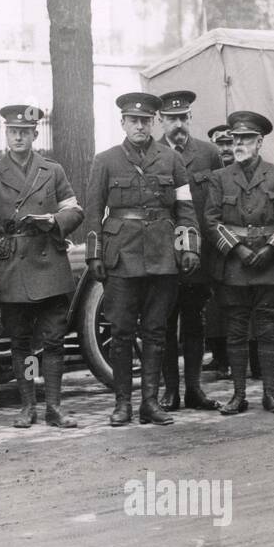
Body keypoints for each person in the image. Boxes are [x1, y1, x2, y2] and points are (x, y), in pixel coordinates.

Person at [83, 92, 200, 427]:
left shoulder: (171, 160)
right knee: (120, 332)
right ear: (122, 123)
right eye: (133, 120)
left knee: (156, 331)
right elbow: (93, 212)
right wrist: (95, 255)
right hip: (121, 257)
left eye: (145, 121)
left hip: (163, 256)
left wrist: (188, 246)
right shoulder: (105, 160)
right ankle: (123, 404)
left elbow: (185, 209)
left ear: (153, 123)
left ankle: (150, 402)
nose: (139, 126)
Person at [0, 105, 84, 428]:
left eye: (25, 131)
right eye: (13, 131)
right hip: (11, 267)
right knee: (21, 342)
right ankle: (28, 405)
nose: (18, 136)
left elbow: (75, 211)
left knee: (53, 340)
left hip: (49, 262)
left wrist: (54, 220)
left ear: (35, 135)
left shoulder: (52, 171)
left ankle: (55, 407)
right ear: (6, 135)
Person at [205, 110, 274, 416]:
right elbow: (211, 221)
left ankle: (271, 394)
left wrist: (271, 249)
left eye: (246, 139)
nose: (239, 144)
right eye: (236, 139)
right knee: (235, 331)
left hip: (270, 265)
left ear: (259, 142)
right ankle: (238, 395)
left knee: (268, 330)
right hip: (234, 266)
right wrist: (239, 250)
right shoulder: (219, 178)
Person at [156, 91, 223, 412]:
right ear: (161, 121)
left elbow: (218, 204)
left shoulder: (209, 154)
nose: (178, 125)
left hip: (199, 255)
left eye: (183, 118)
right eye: (172, 119)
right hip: (161, 254)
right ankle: (171, 390)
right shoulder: (151, 154)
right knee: (165, 322)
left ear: (190, 119)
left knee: (195, 320)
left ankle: (194, 388)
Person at [202, 123, 235, 378]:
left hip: (238, 244)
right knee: (214, 305)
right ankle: (220, 357)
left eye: (228, 143)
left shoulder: (242, 170)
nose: (225, 149)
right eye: (219, 144)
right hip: (212, 242)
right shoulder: (212, 173)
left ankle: (249, 360)